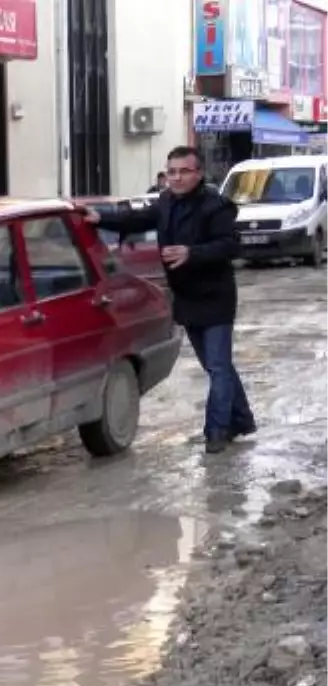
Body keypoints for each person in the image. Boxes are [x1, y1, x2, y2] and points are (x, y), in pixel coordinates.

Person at [81, 146, 255, 455]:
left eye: (183, 171)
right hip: (187, 297)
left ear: (198, 174)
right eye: (171, 171)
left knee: (217, 367)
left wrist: (192, 252)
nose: (176, 177)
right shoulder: (165, 202)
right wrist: (100, 217)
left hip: (215, 297)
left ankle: (216, 432)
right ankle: (242, 420)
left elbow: (231, 246)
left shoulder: (216, 206)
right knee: (217, 366)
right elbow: (135, 219)